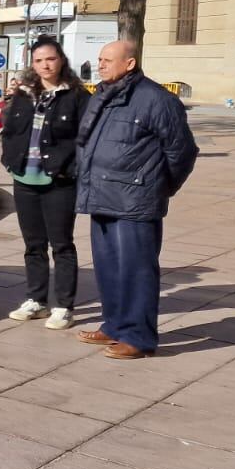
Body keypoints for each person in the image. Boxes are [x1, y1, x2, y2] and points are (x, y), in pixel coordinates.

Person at [74, 39, 198, 359]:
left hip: (135, 201)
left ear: (129, 64)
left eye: (108, 60)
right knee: (108, 268)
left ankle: (138, 337)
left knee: (137, 270)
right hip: (101, 195)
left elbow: (182, 151)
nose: (100, 65)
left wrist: (161, 186)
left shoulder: (157, 100)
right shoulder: (101, 96)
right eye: (99, 59)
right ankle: (114, 325)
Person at [1, 36, 88, 329]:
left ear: (61, 59)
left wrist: (70, 167)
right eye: (38, 60)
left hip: (58, 180)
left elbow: (84, 137)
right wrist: (10, 159)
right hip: (25, 177)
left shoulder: (75, 95)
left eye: (50, 59)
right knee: (33, 244)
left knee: (61, 244)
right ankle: (36, 300)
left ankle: (64, 305)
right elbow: (11, 130)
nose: (44, 65)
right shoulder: (25, 94)